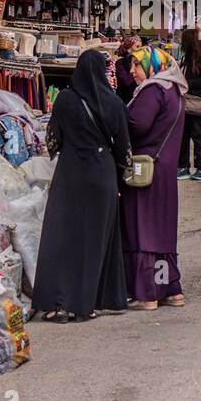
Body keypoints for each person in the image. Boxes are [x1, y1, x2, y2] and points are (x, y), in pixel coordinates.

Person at [32, 51, 131, 322]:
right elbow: (123, 147)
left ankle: (57, 302)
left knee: (62, 239)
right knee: (95, 240)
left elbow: (53, 139)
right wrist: (121, 175)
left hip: (70, 174)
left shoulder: (65, 98)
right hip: (102, 174)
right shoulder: (113, 101)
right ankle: (86, 304)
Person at [121, 46, 188, 311]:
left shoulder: (153, 90)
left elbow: (138, 125)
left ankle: (147, 293)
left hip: (145, 170)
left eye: (137, 65)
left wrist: (118, 120)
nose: (132, 72)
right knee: (161, 230)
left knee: (142, 227)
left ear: (151, 66)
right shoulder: (174, 90)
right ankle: (170, 289)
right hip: (164, 170)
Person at [178, 28, 201, 181]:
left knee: (198, 135)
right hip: (184, 103)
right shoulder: (186, 58)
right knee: (183, 136)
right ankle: (183, 166)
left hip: (196, 102)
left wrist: (185, 83)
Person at [114, 35, 141, 105]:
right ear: (129, 48)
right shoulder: (120, 62)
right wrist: (133, 66)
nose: (140, 49)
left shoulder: (140, 61)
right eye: (137, 46)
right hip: (124, 99)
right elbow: (125, 81)